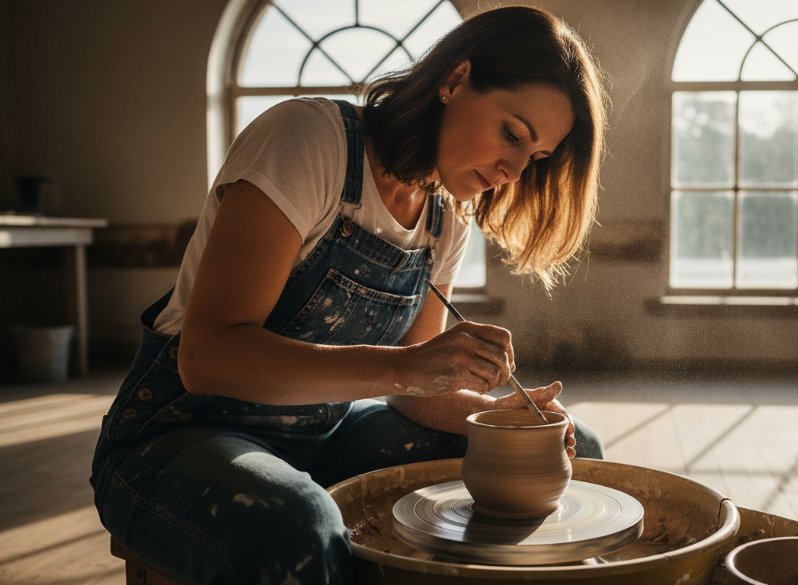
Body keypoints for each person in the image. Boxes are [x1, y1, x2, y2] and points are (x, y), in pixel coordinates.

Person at [91, 5, 609, 584]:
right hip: (179, 433)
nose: (514, 171)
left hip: (320, 435)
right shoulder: (308, 141)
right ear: (455, 80)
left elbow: (416, 392)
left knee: (570, 446)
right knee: (298, 526)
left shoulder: (446, 219)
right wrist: (409, 367)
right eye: (511, 134)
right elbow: (208, 358)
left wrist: (495, 414)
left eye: (534, 157)